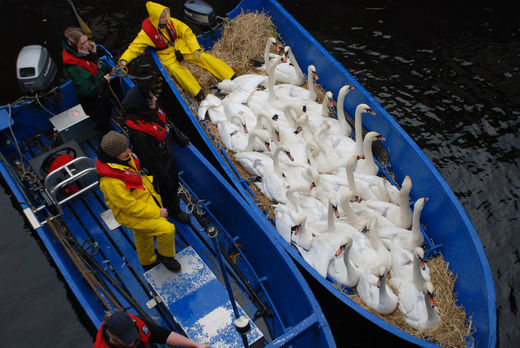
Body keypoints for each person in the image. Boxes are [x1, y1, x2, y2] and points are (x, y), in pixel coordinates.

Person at [96, 130, 180, 272]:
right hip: (131, 214)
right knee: (167, 229)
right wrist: (156, 212)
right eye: (123, 150)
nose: (129, 151)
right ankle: (166, 256)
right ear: (114, 155)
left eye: (127, 147)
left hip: (143, 200)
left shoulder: (122, 160)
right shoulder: (110, 182)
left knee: (142, 234)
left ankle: (147, 262)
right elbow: (129, 206)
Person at [117, 1, 235, 101]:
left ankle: (230, 75)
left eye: (166, 14)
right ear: (156, 18)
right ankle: (198, 93)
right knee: (176, 70)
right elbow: (134, 48)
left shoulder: (171, 22)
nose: (166, 17)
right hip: (166, 55)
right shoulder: (146, 34)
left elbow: (187, 32)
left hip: (180, 46)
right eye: (163, 16)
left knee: (202, 57)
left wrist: (195, 48)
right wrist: (123, 60)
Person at [122, 81, 191, 224]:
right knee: (167, 186)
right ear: (141, 104)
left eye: (153, 95)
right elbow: (150, 160)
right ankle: (172, 210)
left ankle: (171, 201)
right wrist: (164, 177)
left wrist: (182, 139)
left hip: (167, 156)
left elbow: (168, 125)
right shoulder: (139, 135)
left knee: (173, 180)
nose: (155, 99)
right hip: (159, 164)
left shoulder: (151, 112)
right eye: (150, 98)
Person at [62, 26, 114, 134]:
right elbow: (87, 91)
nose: (87, 45)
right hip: (95, 104)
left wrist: (93, 54)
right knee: (103, 124)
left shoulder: (83, 54)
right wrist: (103, 81)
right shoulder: (75, 69)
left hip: (102, 96)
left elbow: (93, 66)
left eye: (87, 41)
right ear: (75, 46)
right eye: (83, 43)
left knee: (107, 113)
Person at [93, 310, 210, 347]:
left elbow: (162, 335)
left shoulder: (137, 322)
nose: (132, 342)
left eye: (133, 336)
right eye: (126, 339)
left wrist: (196, 345)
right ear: (114, 338)